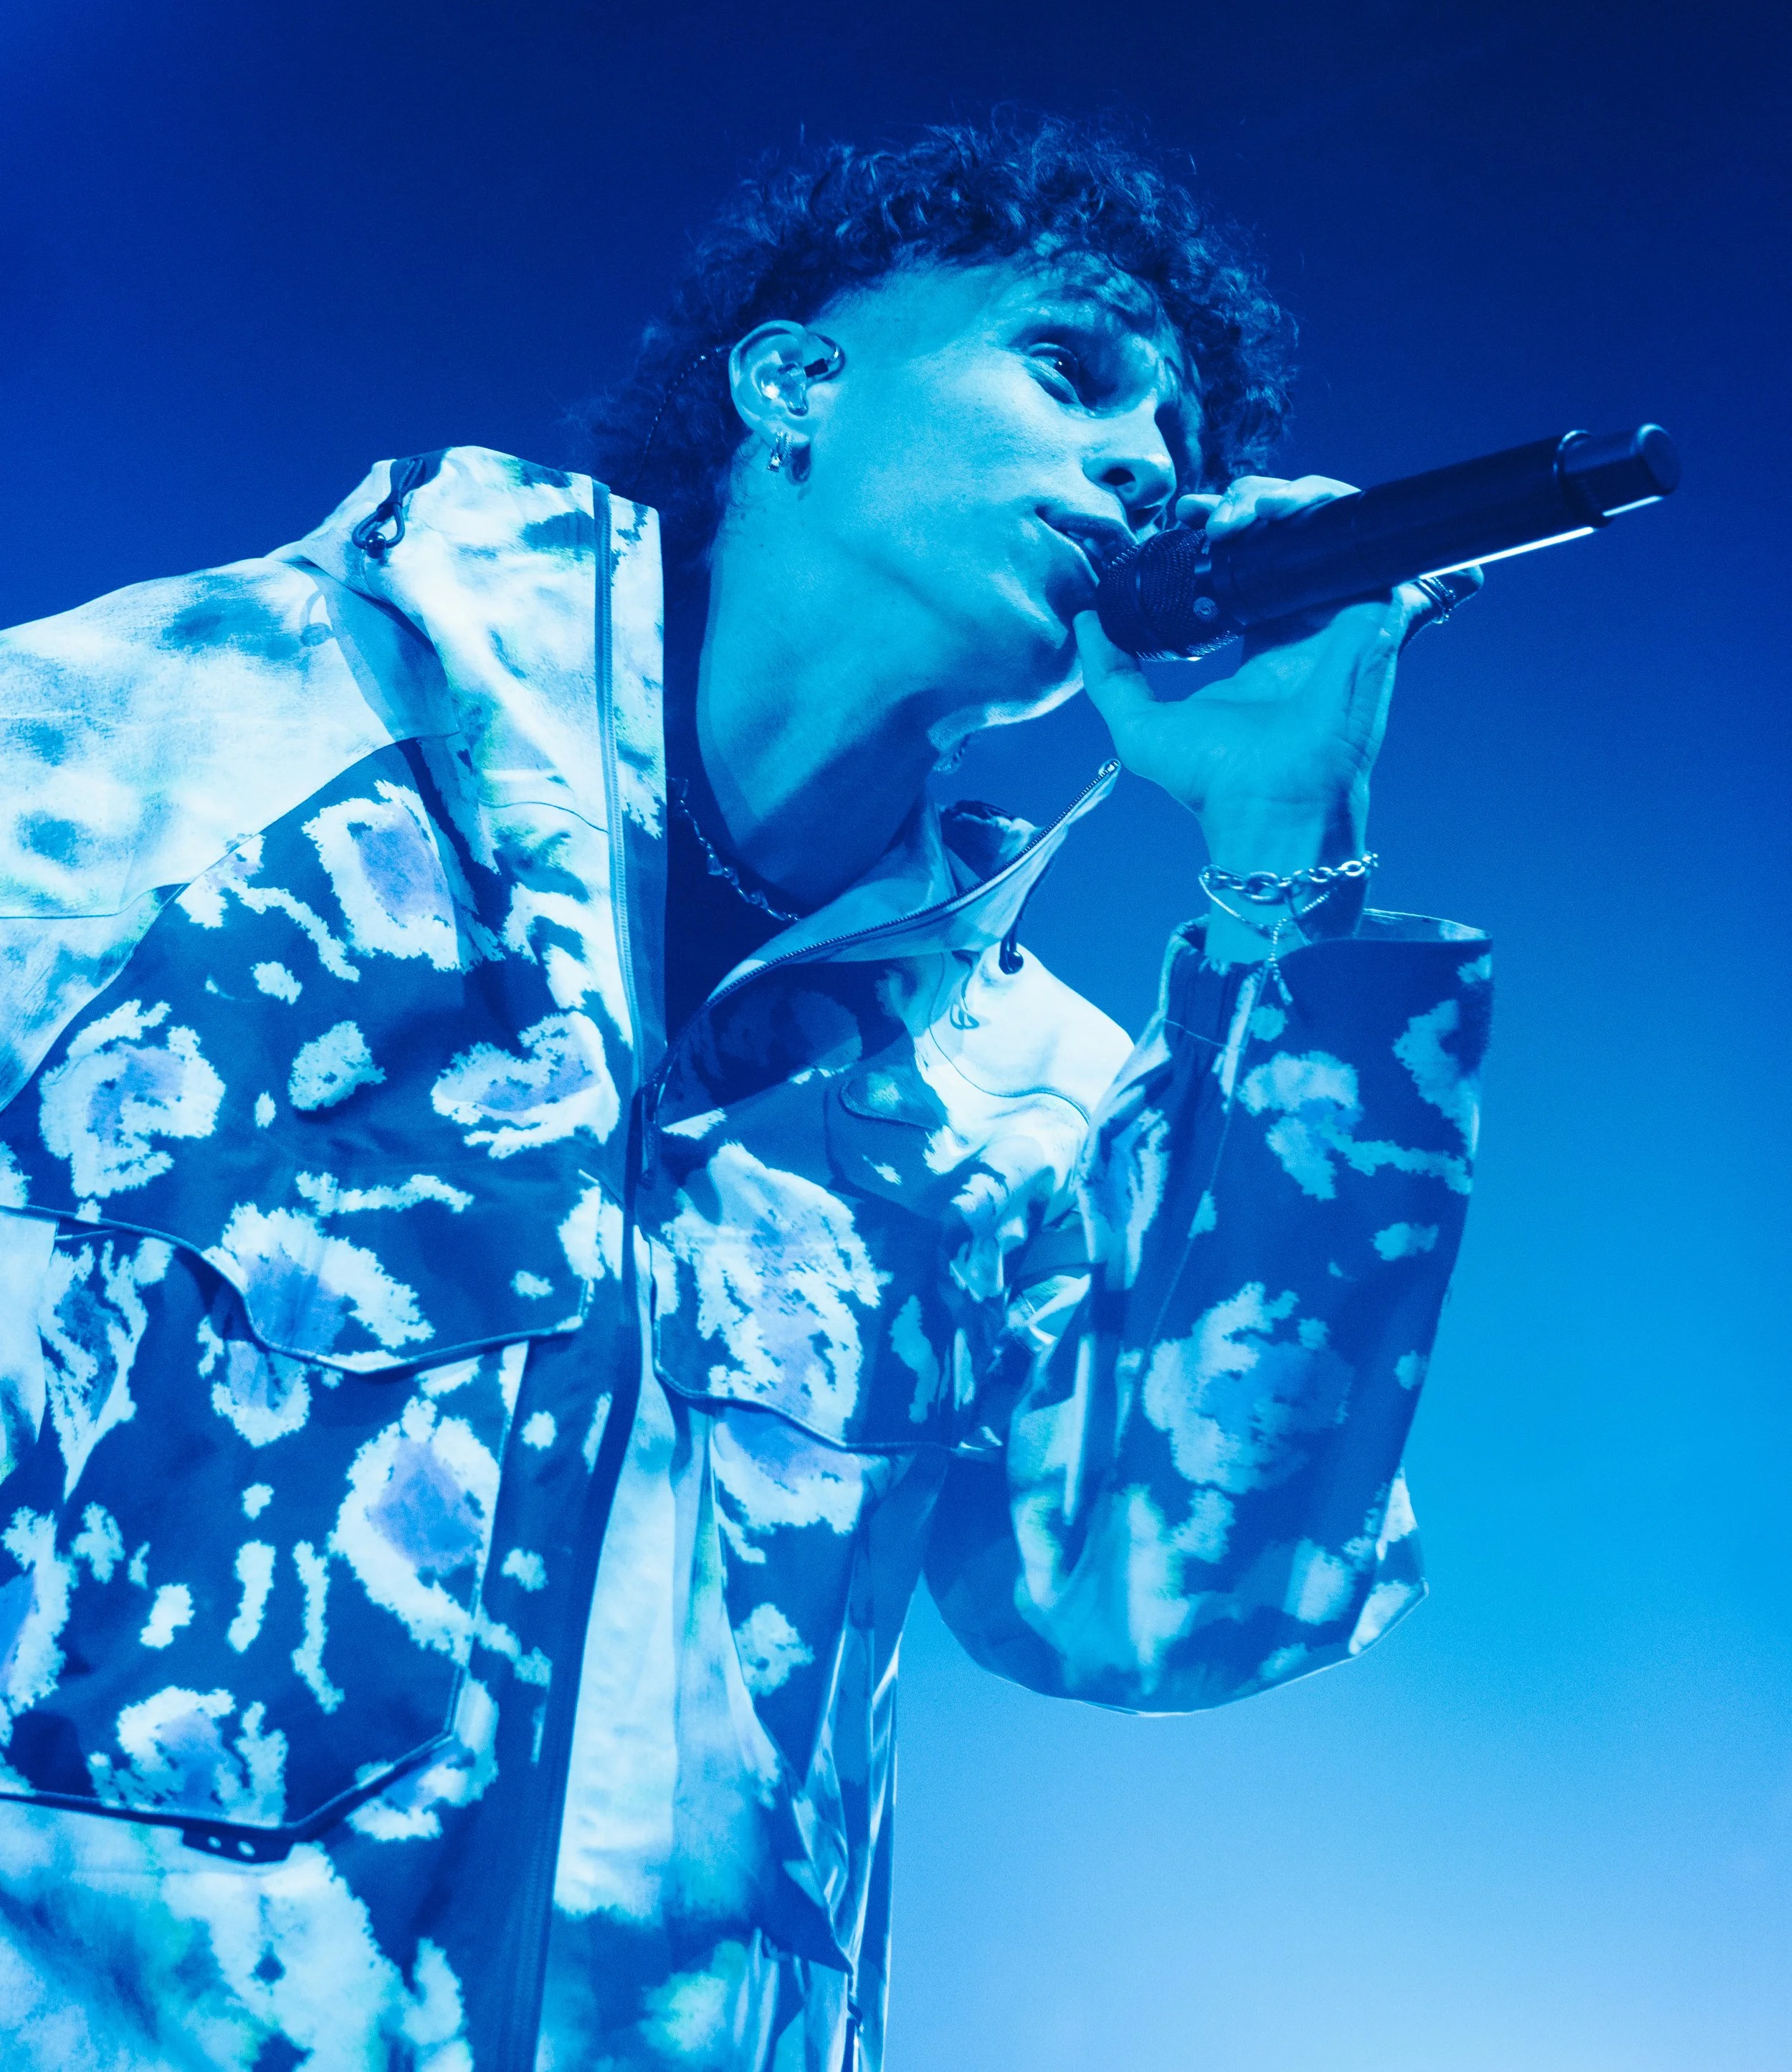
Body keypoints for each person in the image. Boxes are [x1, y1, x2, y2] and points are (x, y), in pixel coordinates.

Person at [0, 118, 1490, 2071]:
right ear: (792, 382)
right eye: (1070, 368)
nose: (1146, 462)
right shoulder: (170, 750)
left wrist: (1288, 838)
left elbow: (1164, 1597)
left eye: (1185, 447)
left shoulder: (1007, 1097)